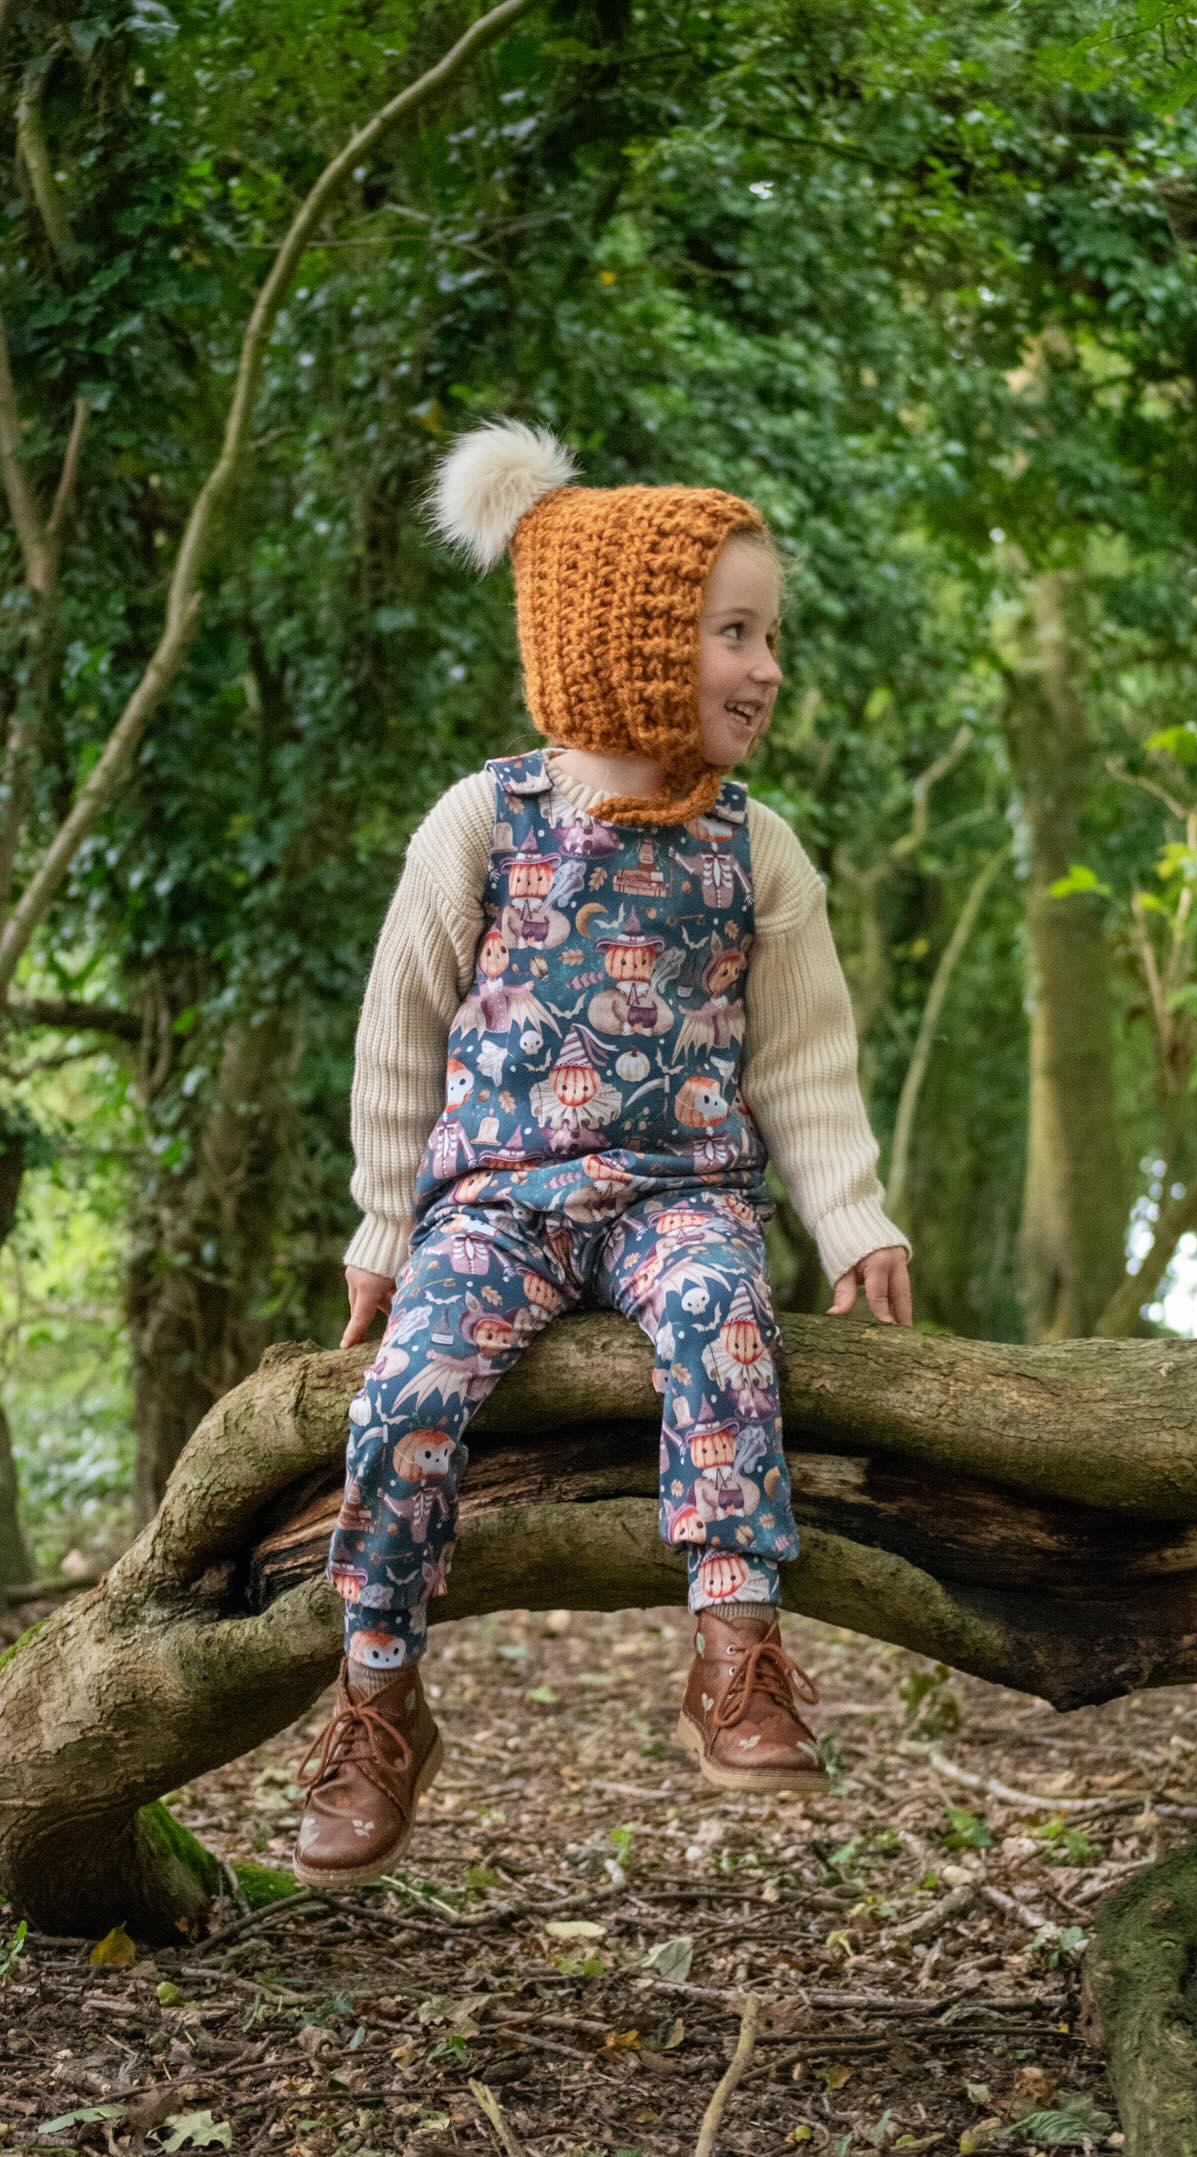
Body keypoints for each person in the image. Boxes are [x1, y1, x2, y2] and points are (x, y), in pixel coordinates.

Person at [293, 419, 913, 1889]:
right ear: (628, 643)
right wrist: (386, 1230)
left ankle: (736, 1646)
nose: (767, 667)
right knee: (406, 1395)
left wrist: (853, 1218)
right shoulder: (486, 822)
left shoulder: (756, 849)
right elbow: (400, 1032)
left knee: (724, 1321)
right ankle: (377, 1696)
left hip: (680, 1198)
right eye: (733, 633)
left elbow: (803, 1060)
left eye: (770, 636)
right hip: (495, 1204)